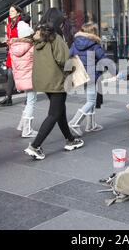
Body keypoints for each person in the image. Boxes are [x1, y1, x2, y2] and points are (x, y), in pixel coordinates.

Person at [24, 8, 84, 160]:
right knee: (54, 114)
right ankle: (35, 146)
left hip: (43, 80)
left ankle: (70, 140)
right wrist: (74, 68)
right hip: (56, 80)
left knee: (59, 110)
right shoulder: (55, 38)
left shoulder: (38, 37)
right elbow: (64, 60)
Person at [68, 22, 106, 136]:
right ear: (93, 32)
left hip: (82, 74)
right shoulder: (95, 44)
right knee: (91, 101)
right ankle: (75, 122)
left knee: (90, 99)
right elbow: (103, 59)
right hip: (92, 74)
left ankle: (91, 125)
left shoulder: (75, 43)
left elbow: (70, 55)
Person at [10, 18, 39, 138]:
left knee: (29, 100)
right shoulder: (31, 48)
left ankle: (22, 125)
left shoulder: (13, 47)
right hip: (29, 78)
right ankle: (27, 130)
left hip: (20, 79)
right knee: (31, 101)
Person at [0, 5, 23, 106]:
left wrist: (14, 40)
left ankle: (10, 97)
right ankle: (8, 97)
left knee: (16, 74)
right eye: (9, 11)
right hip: (11, 52)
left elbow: (26, 37)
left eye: (12, 11)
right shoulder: (9, 24)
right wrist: (7, 41)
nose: (10, 13)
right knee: (9, 74)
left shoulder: (21, 23)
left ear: (18, 13)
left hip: (19, 51)